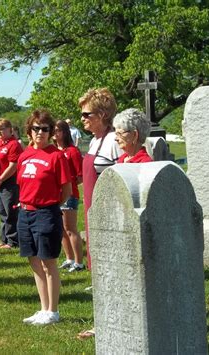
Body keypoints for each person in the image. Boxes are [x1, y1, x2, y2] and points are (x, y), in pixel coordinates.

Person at [77, 108, 153, 341]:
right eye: (117, 132)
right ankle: (110, 323)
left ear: (135, 136)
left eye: (121, 133)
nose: (117, 137)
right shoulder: (121, 160)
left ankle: (134, 325)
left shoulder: (145, 163)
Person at [17, 110, 72, 326]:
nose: (40, 132)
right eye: (36, 128)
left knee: (48, 262)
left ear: (51, 132)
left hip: (46, 213)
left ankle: (53, 310)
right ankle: (43, 308)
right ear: (29, 131)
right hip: (25, 212)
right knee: (34, 261)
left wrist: (50, 205)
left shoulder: (56, 156)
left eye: (45, 129)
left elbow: (66, 189)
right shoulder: (24, 155)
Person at [79, 88, 122, 270]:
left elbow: (121, 177)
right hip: (92, 205)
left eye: (86, 114)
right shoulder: (94, 141)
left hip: (109, 207)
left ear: (102, 114)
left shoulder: (114, 140)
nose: (82, 118)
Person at [53, 120, 84, 272]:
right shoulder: (53, 150)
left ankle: (79, 262)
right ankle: (69, 258)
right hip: (55, 195)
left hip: (69, 194)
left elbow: (80, 175)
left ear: (64, 132)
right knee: (61, 229)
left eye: (57, 130)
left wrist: (69, 187)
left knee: (70, 228)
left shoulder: (72, 151)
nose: (54, 133)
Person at [0, 118, 23, 249]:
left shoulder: (13, 144)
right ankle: (4, 239)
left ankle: (13, 241)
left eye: (2, 129)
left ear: (10, 130)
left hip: (9, 182)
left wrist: (0, 179)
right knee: (2, 212)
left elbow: (13, 166)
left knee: (11, 212)